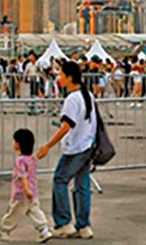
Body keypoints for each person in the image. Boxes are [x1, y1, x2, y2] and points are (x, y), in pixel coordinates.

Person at [35, 59, 96, 240]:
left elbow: (66, 126)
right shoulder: (88, 95)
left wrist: (48, 145)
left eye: (61, 74)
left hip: (76, 148)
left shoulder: (72, 99)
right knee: (81, 184)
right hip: (87, 145)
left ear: (69, 77)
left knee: (60, 180)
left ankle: (63, 223)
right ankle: (83, 225)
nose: (59, 77)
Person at [0, 128, 52, 242]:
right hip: (33, 192)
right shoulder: (32, 159)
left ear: (18, 144)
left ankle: (4, 231)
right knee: (35, 211)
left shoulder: (20, 161)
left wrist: (26, 189)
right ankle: (44, 230)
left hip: (21, 193)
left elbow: (22, 177)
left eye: (15, 141)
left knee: (13, 213)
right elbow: (37, 157)